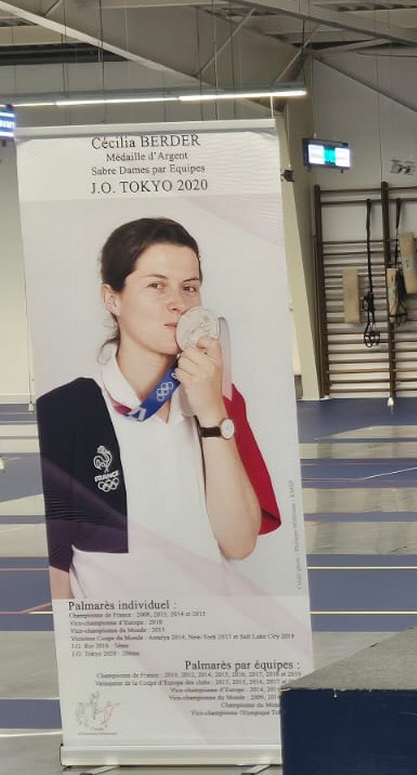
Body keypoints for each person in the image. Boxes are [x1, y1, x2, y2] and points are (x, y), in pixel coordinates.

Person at [39, 217, 280, 599]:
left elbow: (238, 543)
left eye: (190, 287)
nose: (178, 303)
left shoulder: (220, 399)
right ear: (112, 298)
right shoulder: (65, 410)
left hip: (210, 628)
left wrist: (212, 414)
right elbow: (57, 565)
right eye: (156, 285)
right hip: (120, 634)